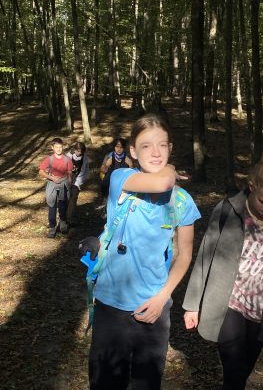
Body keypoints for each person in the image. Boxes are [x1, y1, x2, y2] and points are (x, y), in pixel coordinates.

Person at [87, 113, 201, 389]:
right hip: (111, 307)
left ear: (170, 147)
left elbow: (184, 255)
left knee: (147, 383)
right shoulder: (121, 178)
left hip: (154, 309)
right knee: (105, 383)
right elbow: (161, 182)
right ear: (133, 152)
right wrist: (171, 169)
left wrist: (162, 298)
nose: (155, 152)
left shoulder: (182, 202)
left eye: (163, 145)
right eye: (146, 145)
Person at [182, 147, 263, 390]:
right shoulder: (228, 210)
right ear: (251, 186)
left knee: (242, 368)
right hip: (229, 303)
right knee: (234, 369)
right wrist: (192, 305)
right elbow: (204, 256)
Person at [38, 138, 74, 238]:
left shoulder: (67, 159)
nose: (58, 149)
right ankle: (52, 227)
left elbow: (70, 172)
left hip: (64, 183)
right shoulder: (49, 159)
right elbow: (41, 171)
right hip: (52, 183)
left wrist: (70, 181)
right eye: (56, 147)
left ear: (63, 147)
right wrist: (51, 177)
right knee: (52, 205)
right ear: (52, 148)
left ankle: (63, 225)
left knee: (63, 204)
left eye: (60, 147)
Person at [99, 138, 132, 202]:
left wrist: (131, 165)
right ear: (114, 147)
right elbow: (102, 170)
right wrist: (106, 165)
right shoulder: (109, 156)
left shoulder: (127, 157)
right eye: (117, 146)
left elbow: (131, 173)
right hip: (110, 183)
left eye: (121, 147)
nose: (119, 149)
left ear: (124, 148)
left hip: (122, 183)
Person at [66, 142, 89, 225]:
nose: (79, 153)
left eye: (81, 152)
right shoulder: (68, 156)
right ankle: (63, 218)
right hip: (67, 180)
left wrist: (78, 183)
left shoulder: (85, 158)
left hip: (77, 181)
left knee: (73, 198)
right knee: (66, 198)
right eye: (78, 151)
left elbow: (84, 172)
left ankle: (69, 219)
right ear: (74, 150)